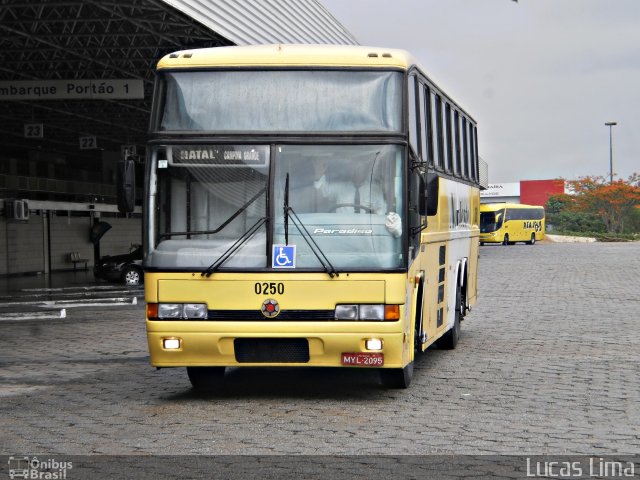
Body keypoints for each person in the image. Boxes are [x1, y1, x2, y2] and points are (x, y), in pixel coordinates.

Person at [312, 160, 402, 237]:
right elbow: (322, 190)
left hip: (367, 236)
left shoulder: (375, 190)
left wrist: (375, 212)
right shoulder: (341, 187)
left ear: (366, 170)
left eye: (360, 169)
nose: (357, 172)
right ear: (351, 171)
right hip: (342, 233)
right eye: (355, 169)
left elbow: (382, 212)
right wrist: (319, 175)